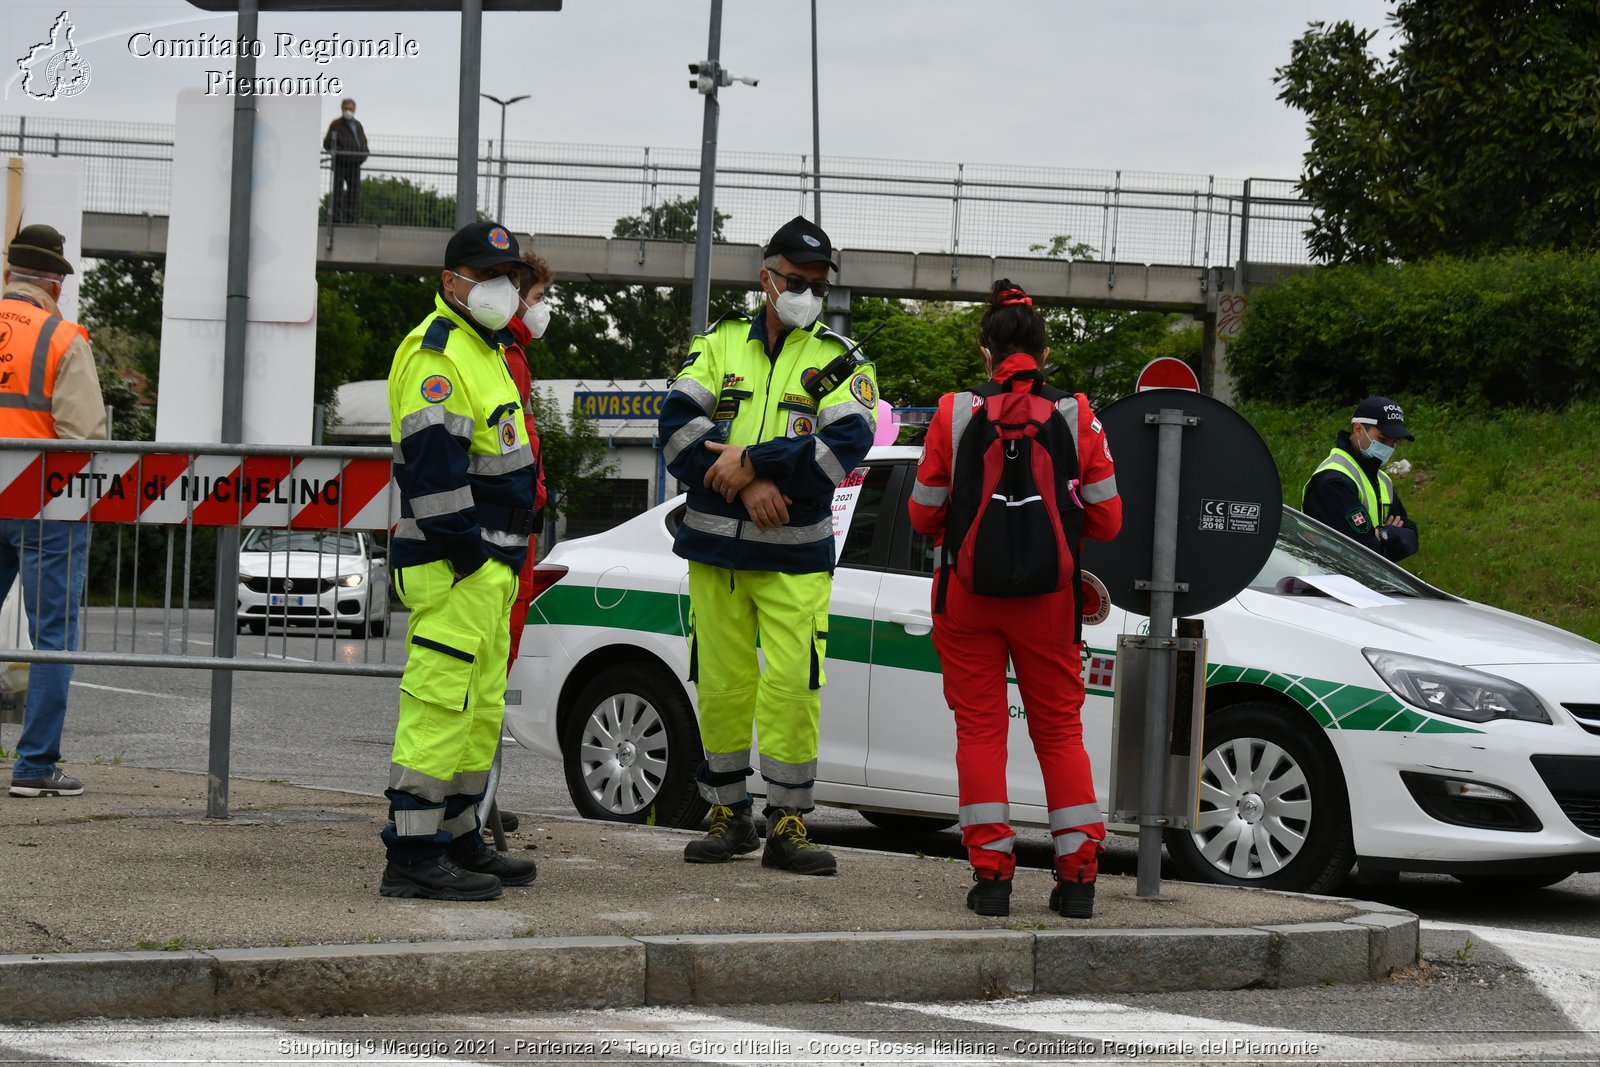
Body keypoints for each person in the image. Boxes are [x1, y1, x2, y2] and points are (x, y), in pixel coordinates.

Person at [657, 215, 876, 876]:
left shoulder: (841, 359)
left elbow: (848, 444)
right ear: (767, 278)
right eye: (796, 280)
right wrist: (747, 486)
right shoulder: (719, 346)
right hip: (717, 556)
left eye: (817, 283)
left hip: (795, 556)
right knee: (722, 686)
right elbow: (674, 428)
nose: (807, 292)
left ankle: (788, 821)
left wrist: (754, 460)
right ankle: (728, 813)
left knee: (790, 688)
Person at [907, 280, 1122, 919]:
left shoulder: (954, 413)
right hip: (1049, 603)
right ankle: (1078, 878)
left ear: (986, 353)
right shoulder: (1079, 416)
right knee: (1059, 732)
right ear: (1045, 352)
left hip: (966, 597)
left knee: (980, 731)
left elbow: (923, 516)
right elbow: (1108, 521)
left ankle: (992, 877)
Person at [381, 220, 540, 901]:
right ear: (450, 282)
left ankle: (459, 833)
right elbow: (434, 475)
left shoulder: (486, 348)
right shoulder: (438, 354)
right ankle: (412, 851)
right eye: (487, 277)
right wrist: (472, 559)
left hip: (488, 565)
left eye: (508, 277)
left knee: (478, 711)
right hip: (458, 565)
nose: (502, 289)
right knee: (440, 703)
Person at [0, 224, 107, 799]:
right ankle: (35, 765)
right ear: (55, 284)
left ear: (8, 275)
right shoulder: (61, 337)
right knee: (52, 637)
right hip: (44, 504)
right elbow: (83, 432)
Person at [488, 250, 554, 838]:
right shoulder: (501, 356)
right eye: (536, 300)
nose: (542, 311)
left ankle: (477, 796)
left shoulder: (512, 356)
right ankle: (471, 798)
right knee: (487, 666)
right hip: (500, 528)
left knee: (492, 667)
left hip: (516, 521)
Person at [1302, 396, 1419, 562]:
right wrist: (1391, 538)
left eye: (1394, 442)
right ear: (1358, 429)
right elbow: (1362, 552)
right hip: (1327, 583)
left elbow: (1412, 535)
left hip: (1366, 582)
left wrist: (1385, 535)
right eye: (1383, 439)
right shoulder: (1333, 480)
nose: (1389, 447)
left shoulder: (1382, 479)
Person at [323, 97, 369, 224]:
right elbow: (327, 143)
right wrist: (340, 152)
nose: (348, 111)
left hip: (355, 165)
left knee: (354, 194)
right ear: (341, 109)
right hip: (340, 164)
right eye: (346, 108)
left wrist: (363, 155)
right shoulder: (336, 124)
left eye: (350, 108)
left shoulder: (358, 125)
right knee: (338, 193)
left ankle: (351, 220)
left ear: (354, 109)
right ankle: (336, 220)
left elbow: (363, 142)